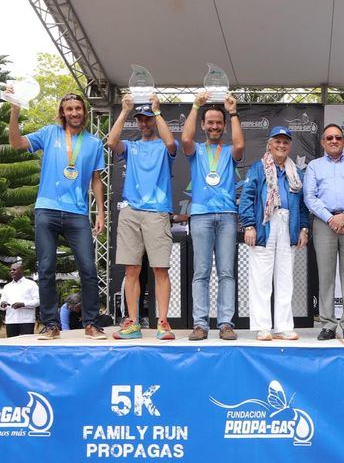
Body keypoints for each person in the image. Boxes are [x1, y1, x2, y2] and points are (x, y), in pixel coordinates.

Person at [8, 92, 106, 340]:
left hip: (77, 213)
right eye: (69, 109)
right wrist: (15, 110)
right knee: (46, 267)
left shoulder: (94, 142)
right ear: (63, 112)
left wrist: (101, 212)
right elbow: (16, 143)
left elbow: (96, 180)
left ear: (84, 112)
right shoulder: (50, 133)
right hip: (47, 208)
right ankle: (51, 325)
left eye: (78, 108)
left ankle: (92, 323)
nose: (74, 113)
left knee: (88, 268)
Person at [107, 95, 178, 340]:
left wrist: (157, 111)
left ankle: (163, 323)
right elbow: (111, 141)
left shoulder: (164, 147)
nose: (144, 123)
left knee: (160, 269)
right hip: (130, 211)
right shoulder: (131, 146)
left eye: (148, 119)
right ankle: (133, 323)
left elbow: (171, 144)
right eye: (141, 120)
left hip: (157, 211)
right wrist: (125, 111)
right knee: (131, 270)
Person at [181, 92, 244, 341]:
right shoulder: (196, 150)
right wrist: (196, 105)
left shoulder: (229, 151)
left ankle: (226, 324)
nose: (214, 126)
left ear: (224, 126)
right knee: (201, 272)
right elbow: (185, 137)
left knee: (226, 272)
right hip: (200, 216)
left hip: (227, 215)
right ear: (204, 125)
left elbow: (240, 146)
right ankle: (200, 324)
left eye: (219, 122)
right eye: (210, 122)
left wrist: (233, 112)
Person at [239, 126, 309, 340]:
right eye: (277, 141)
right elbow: (247, 198)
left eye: (285, 142)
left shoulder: (296, 172)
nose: (281, 145)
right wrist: (249, 225)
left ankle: (284, 326)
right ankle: (262, 326)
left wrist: (304, 228)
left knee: (285, 277)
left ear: (290, 146)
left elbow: (304, 204)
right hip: (264, 224)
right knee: (261, 278)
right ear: (270, 144)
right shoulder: (259, 168)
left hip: (289, 223)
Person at [304, 124, 344, 341]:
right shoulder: (314, 166)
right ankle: (328, 324)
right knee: (326, 275)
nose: (333, 140)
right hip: (324, 223)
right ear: (323, 142)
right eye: (329, 137)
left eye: (338, 137)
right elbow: (309, 197)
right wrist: (330, 218)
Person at [0, 263, 39, 337]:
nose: (11, 271)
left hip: (26, 321)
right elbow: (1, 305)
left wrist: (23, 304)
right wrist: (2, 304)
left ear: (21, 270)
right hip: (11, 321)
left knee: (26, 345)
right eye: (10, 270)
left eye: (14, 270)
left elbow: (38, 301)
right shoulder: (7, 287)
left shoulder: (31, 284)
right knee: (12, 345)